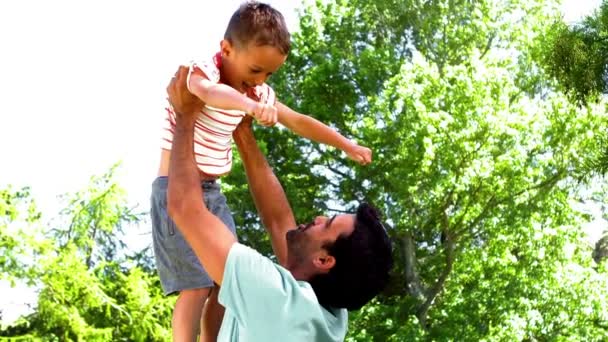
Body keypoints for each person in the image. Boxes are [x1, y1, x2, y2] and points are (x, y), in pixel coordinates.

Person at [151, 2, 372, 341]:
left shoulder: (288, 307)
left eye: (324, 225)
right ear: (226, 49)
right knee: (206, 285)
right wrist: (346, 144)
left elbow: (185, 207)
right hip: (190, 186)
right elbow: (278, 219)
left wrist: (189, 117)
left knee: (210, 285)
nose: (312, 218)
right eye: (257, 70)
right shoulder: (325, 309)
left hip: (195, 190)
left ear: (325, 261)